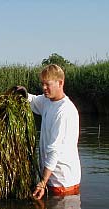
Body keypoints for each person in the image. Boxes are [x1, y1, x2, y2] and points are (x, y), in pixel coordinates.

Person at [19, 64, 81, 199]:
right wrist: (23, 94)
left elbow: (54, 150)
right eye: (42, 84)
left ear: (60, 83)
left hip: (63, 182)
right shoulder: (48, 101)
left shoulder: (64, 111)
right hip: (50, 179)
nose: (44, 88)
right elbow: (34, 101)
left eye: (47, 84)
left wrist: (42, 182)